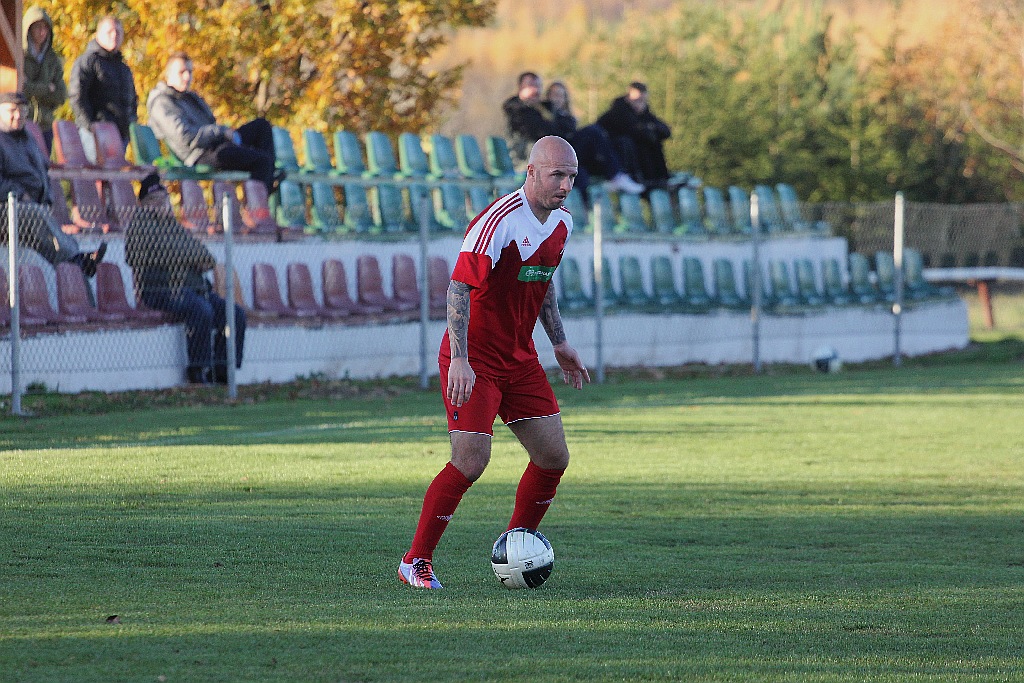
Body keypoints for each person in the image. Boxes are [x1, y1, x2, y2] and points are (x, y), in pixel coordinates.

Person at [399, 136, 590, 589]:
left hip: (519, 358)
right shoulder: (498, 221)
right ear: (532, 172)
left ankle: (518, 543)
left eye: (572, 177)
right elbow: (458, 289)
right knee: (470, 460)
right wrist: (460, 359)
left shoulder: (561, 223)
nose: (565, 185)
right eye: (557, 175)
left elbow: (542, 283)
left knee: (552, 456)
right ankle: (416, 561)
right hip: (474, 359)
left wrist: (559, 342)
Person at [125, 173, 246, 385]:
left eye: (163, 201)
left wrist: (181, 255)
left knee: (234, 314)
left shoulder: (174, 227)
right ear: (142, 204)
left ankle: (222, 369)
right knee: (201, 310)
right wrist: (186, 256)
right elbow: (160, 254)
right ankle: (198, 369)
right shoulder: (139, 227)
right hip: (161, 290)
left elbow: (206, 258)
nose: (160, 206)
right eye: (153, 202)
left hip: (195, 289)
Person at [0, 92, 106, 276]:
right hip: (7, 207)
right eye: (12, 111)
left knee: (43, 234)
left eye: (22, 112)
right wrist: (19, 195)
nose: (18, 116)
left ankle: (77, 266)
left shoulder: (27, 138)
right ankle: (78, 258)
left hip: (31, 209)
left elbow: (43, 170)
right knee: (36, 215)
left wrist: (45, 197)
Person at [147, 52, 281, 194]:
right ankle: (259, 208)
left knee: (261, 126)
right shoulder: (162, 102)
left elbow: (211, 123)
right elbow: (186, 137)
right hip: (200, 154)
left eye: (190, 72)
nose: (187, 77)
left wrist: (223, 133)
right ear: (169, 74)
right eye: (182, 72)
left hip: (216, 144)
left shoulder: (190, 97)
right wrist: (221, 132)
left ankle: (267, 180)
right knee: (262, 162)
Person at [502, 72, 643, 197]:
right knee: (592, 132)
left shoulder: (542, 110)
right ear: (521, 88)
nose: (535, 90)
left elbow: (562, 130)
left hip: (553, 155)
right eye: (530, 86)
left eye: (538, 86)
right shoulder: (518, 110)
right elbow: (544, 133)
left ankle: (587, 214)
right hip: (534, 160)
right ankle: (615, 176)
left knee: (583, 171)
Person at [68, 15, 137, 145]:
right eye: (109, 31)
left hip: (121, 136)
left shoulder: (124, 68)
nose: (114, 35)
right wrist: (91, 127)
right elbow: (77, 97)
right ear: (98, 34)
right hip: (94, 135)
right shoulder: (88, 61)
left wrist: (130, 126)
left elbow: (132, 101)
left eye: (118, 32)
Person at [597, 82, 673, 188]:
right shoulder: (619, 111)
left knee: (653, 142)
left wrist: (651, 128)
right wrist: (649, 128)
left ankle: (659, 177)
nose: (639, 104)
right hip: (613, 151)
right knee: (633, 142)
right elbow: (635, 130)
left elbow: (665, 131)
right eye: (637, 100)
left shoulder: (644, 113)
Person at [21, 6, 66, 153]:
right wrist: (47, 88)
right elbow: (20, 90)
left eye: (45, 28)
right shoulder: (19, 56)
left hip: (45, 125)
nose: (42, 32)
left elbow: (61, 95)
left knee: (43, 169)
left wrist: (31, 87)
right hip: (23, 123)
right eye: (38, 27)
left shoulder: (53, 60)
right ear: (29, 29)